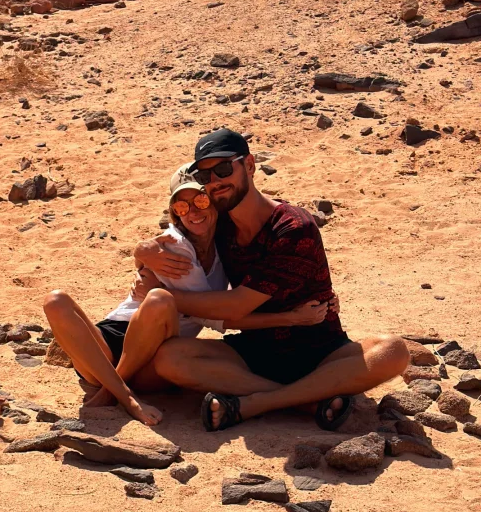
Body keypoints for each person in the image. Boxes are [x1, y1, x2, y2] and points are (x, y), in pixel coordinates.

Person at [135, 127, 410, 430]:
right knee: (170, 358)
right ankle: (307, 401)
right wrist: (143, 252)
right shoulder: (219, 224)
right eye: (204, 176)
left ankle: (257, 402)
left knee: (394, 351)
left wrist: (161, 295)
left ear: (249, 165)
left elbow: (236, 307)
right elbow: (175, 239)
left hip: (320, 352)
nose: (215, 182)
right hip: (254, 353)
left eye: (223, 169)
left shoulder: (294, 228)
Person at [43, 163, 334, 428]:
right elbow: (219, 319)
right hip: (109, 348)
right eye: (182, 207)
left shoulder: (225, 248)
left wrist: (306, 308)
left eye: (201, 200)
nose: (193, 212)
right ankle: (123, 395)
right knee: (57, 301)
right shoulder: (174, 247)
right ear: (174, 213)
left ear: (214, 203)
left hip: (155, 359)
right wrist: (290, 318)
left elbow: (230, 309)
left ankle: (113, 389)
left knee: (160, 300)